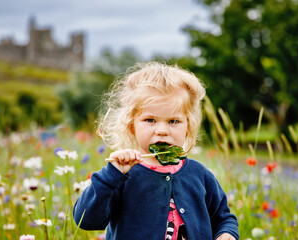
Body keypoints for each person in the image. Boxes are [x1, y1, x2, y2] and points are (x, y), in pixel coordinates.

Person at [73, 62, 239, 240]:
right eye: (150, 120)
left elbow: (224, 218)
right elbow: (87, 220)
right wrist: (109, 177)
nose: (162, 130)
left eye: (173, 121)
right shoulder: (121, 176)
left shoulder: (200, 175)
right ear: (131, 126)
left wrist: (226, 233)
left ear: (188, 127)